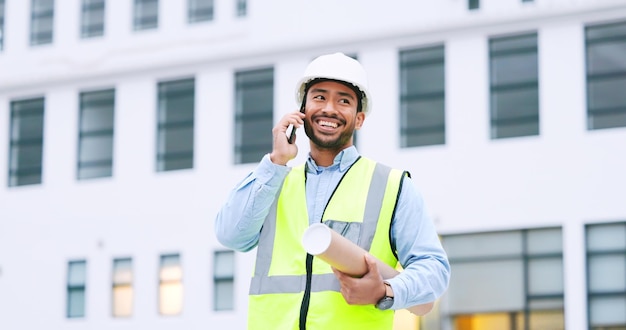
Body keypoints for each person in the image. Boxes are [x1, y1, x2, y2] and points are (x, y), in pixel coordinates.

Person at [215, 52, 450, 330]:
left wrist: (385, 291)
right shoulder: (274, 181)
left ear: (359, 119)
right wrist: (276, 162)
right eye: (319, 97)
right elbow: (231, 235)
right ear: (302, 111)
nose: (329, 108)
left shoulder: (392, 185)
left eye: (344, 100)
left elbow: (434, 270)